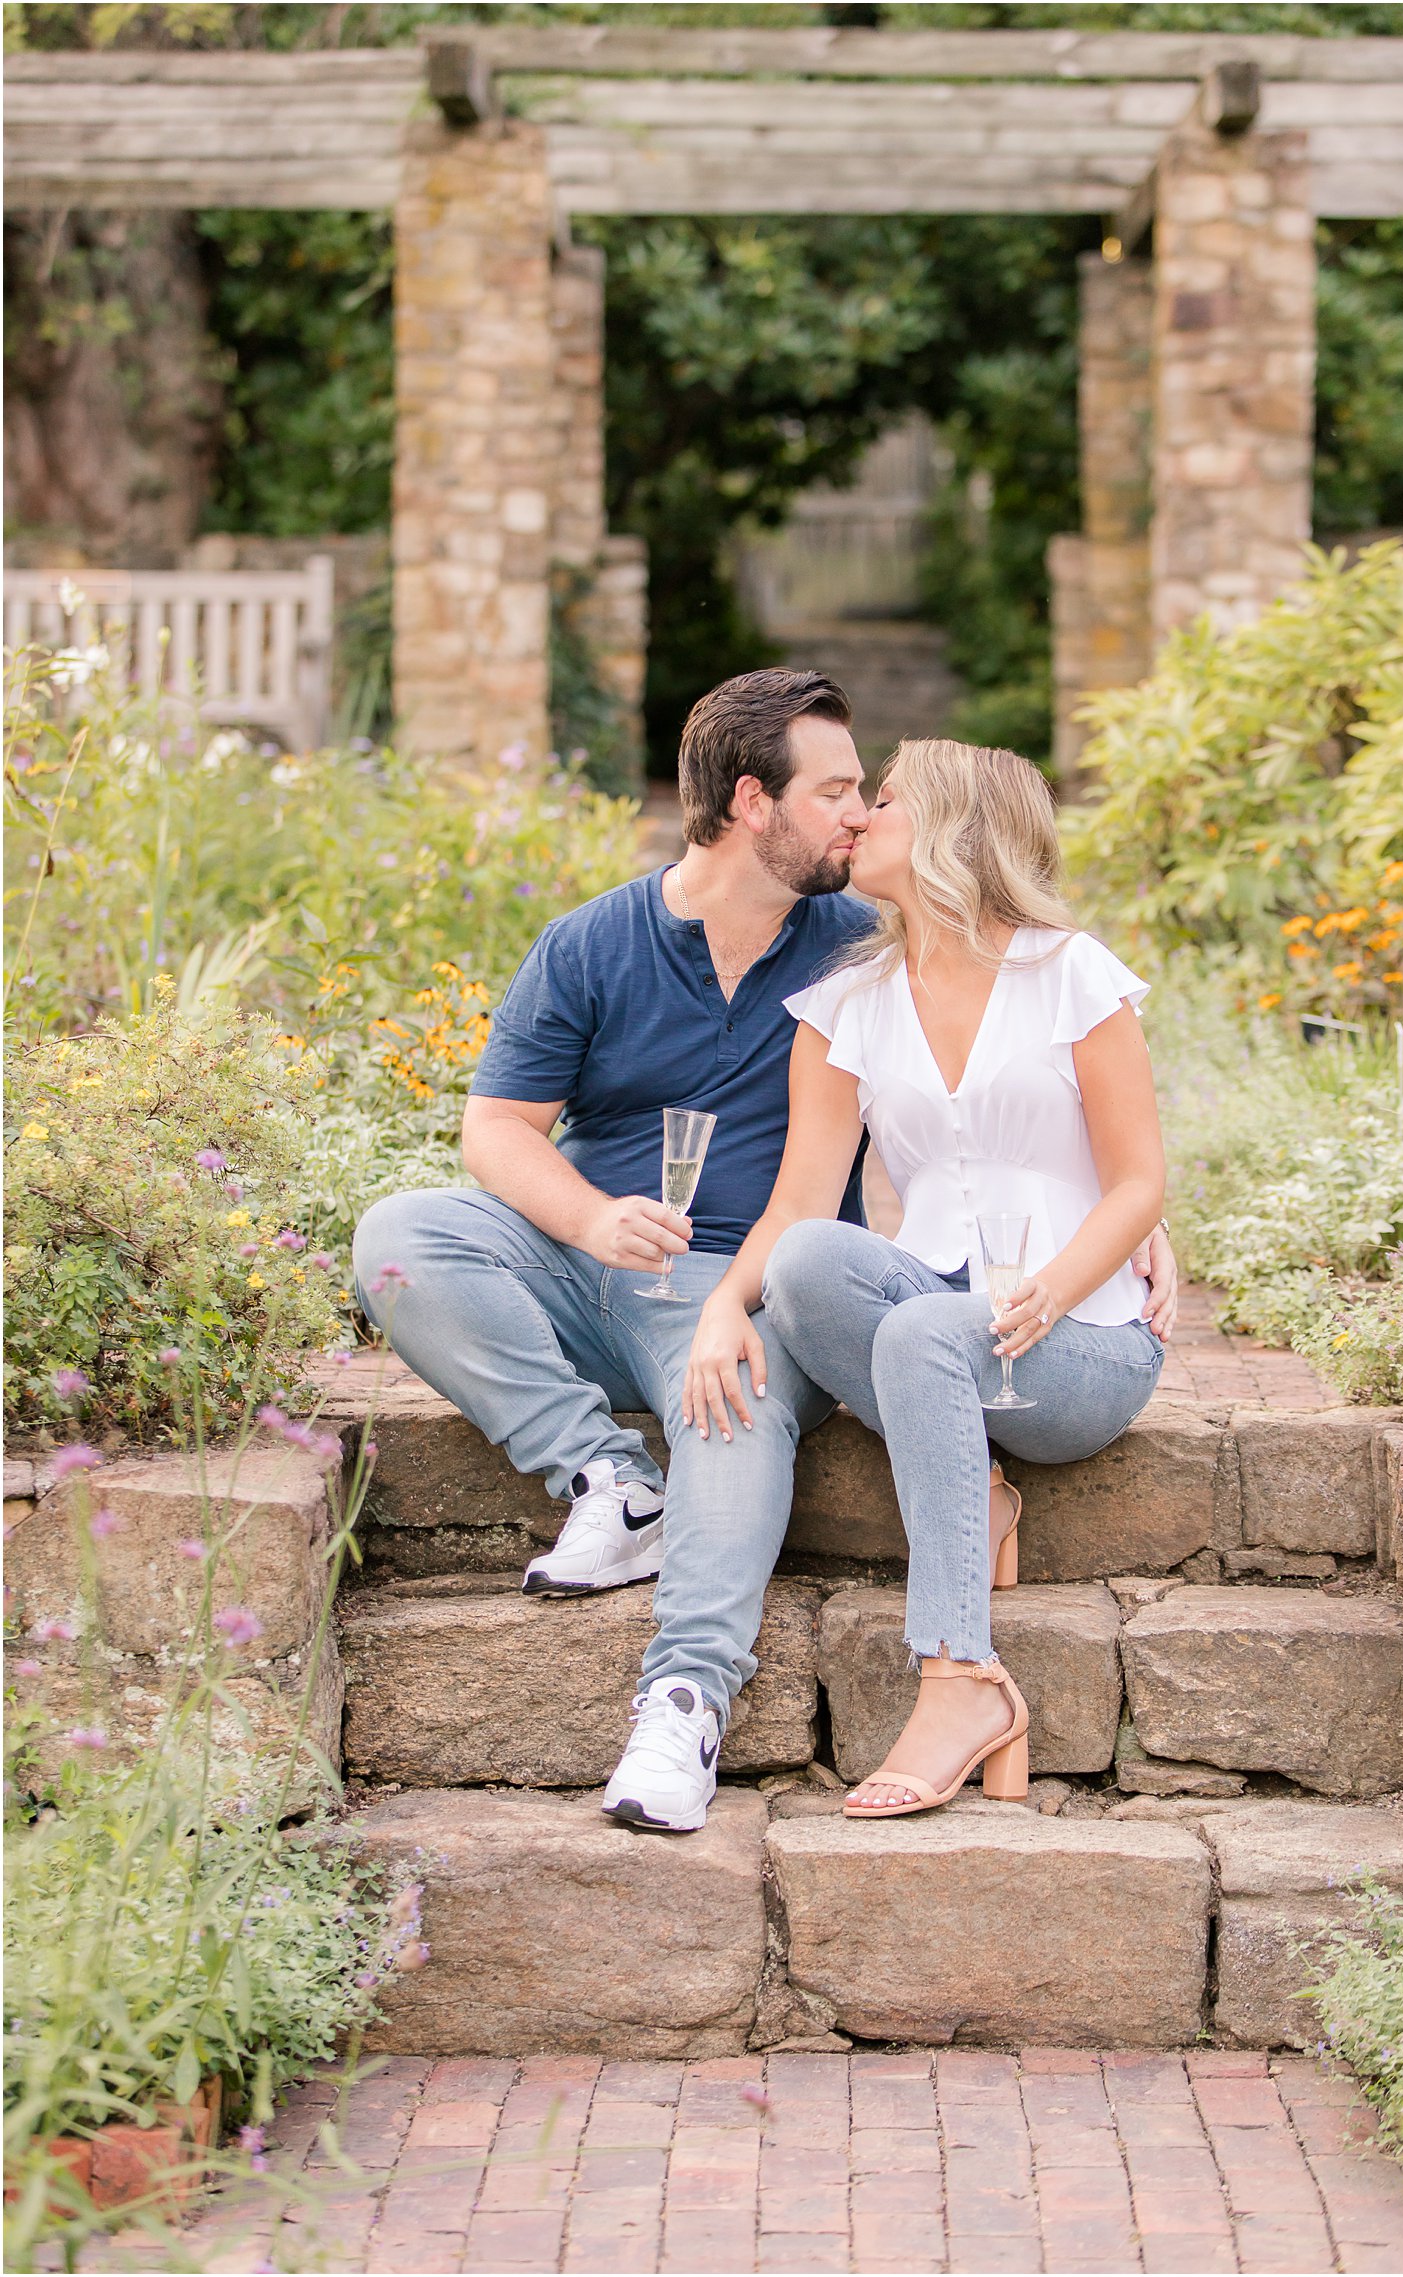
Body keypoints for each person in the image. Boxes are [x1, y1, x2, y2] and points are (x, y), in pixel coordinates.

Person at [354, 680, 1178, 1835]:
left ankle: (685, 1700)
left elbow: (1077, 1122)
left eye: (872, 797)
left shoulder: (858, 936)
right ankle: (605, 1480)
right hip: (619, 1260)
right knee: (402, 1234)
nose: (854, 817)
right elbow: (502, 1129)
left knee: (749, 1383)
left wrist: (1125, 1226)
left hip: (847, 1295)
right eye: (838, 792)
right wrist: (598, 1223)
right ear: (751, 802)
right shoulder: (633, 949)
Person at [682, 736, 1168, 1819]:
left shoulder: (1067, 974)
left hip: (1078, 1342)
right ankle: (975, 1495)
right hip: (942, 1318)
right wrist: (724, 1300)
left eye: (881, 802)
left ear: (951, 826)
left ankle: (959, 1678)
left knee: (925, 1336)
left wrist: (1051, 1284)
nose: (854, 821)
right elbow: (800, 1202)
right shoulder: (847, 1002)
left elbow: (1138, 1182)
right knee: (808, 1266)